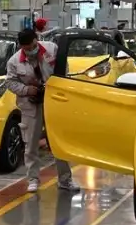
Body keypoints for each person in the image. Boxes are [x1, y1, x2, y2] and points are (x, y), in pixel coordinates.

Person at [5, 28, 80, 194]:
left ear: (36, 39)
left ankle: (65, 179)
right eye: (26, 48)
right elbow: (10, 82)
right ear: (21, 46)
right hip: (31, 106)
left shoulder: (52, 49)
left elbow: (64, 70)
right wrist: (27, 90)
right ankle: (32, 179)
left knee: (58, 143)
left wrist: (54, 86)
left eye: (32, 46)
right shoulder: (14, 61)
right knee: (31, 144)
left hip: (54, 102)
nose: (30, 50)